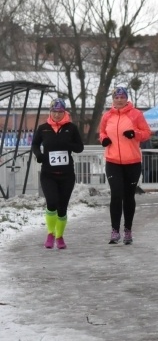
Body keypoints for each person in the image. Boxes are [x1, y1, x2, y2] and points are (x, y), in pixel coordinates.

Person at [99, 87, 151, 245]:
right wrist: (104, 139)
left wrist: (135, 134)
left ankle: (127, 230)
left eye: (122, 97)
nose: (119, 100)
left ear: (127, 98)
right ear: (113, 99)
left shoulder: (136, 114)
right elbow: (101, 132)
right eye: (117, 97)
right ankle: (115, 230)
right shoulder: (107, 116)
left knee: (129, 196)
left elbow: (147, 132)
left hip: (132, 162)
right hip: (113, 161)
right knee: (116, 194)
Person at [31, 98, 84, 249]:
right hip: (48, 173)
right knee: (52, 202)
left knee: (62, 208)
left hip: (67, 175)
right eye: (54, 111)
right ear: (50, 112)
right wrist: (38, 155)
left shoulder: (71, 128)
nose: (57, 115)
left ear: (64, 112)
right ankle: (50, 233)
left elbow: (80, 147)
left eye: (60, 112)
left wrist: (69, 145)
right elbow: (34, 144)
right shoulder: (43, 128)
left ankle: (59, 237)